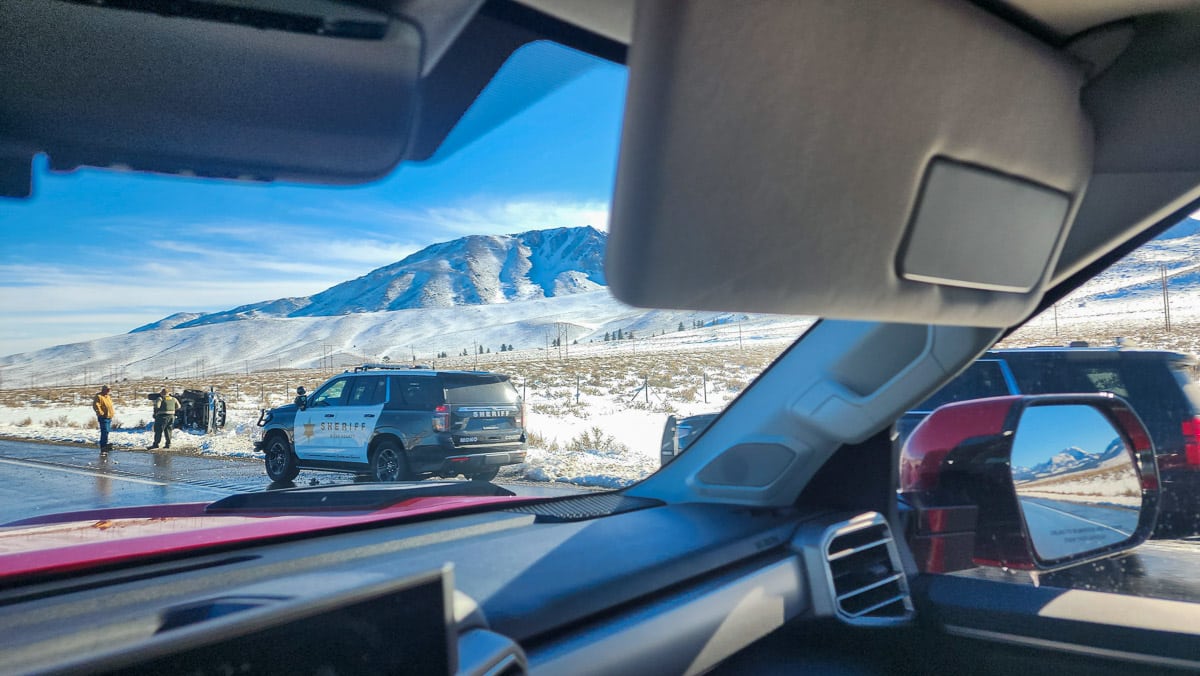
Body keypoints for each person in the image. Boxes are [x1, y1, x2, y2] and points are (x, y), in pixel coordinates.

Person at [92, 385, 114, 453]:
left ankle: (105, 445)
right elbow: (96, 405)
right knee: (104, 431)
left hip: (109, 416)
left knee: (107, 431)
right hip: (103, 417)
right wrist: (100, 413)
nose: (108, 391)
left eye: (109, 389)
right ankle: (103, 446)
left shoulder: (108, 397)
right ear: (103, 389)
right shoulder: (99, 396)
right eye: (107, 389)